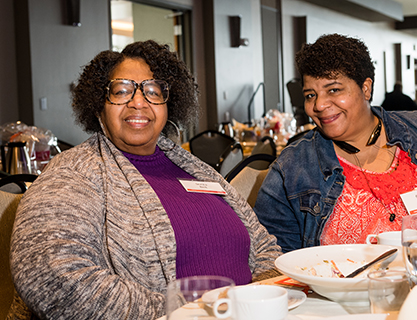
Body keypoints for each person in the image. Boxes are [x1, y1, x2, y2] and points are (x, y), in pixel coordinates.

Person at [9, 40, 281, 319]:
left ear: (168, 104)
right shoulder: (73, 173)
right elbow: (48, 275)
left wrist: (262, 300)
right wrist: (183, 313)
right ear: (99, 106)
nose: (138, 102)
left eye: (153, 91)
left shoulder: (195, 168)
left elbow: (264, 246)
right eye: (121, 91)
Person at [253, 34, 417, 253]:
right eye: (311, 95)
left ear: (366, 88)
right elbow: (276, 263)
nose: (319, 105)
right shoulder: (292, 169)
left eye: (334, 90)